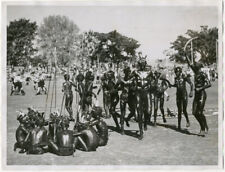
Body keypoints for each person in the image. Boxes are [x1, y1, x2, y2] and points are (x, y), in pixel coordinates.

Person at [186, 56, 211, 136]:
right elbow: (190, 63)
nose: (195, 64)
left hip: (202, 95)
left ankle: (202, 129)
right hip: (197, 95)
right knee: (194, 112)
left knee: (199, 112)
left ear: (199, 66)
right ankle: (205, 125)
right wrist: (186, 54)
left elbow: (209, 84)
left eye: (196, 64)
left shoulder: (203, 74)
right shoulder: (195, 72)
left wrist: (200, 88)